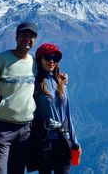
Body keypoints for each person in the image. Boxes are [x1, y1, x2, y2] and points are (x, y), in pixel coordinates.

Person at [0, 21, 38, 174]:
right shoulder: (2, 59)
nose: (27, 39)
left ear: (35, 40)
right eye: (24, 35)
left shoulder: (34, 63)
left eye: (31, 36)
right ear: (16, 37)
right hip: (2, 126)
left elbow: (48, 75)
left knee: (17, 170)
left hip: (25, 127)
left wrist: (62, 77)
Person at [31, 43, 81, 174]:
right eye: (47, 57)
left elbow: (67, 115)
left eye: (55, 58)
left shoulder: (61, 82)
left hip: (63, 140)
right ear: (39, 60)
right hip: (44, 141)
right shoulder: (34, 84)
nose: (52, 61)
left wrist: (74, 142)